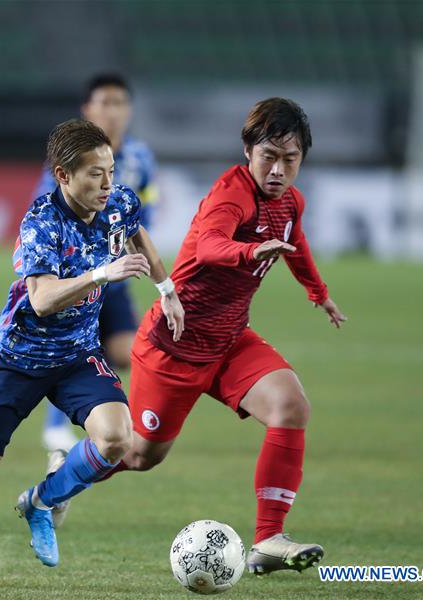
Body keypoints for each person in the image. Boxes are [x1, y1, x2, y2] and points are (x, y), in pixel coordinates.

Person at [0, 118, 184, 588]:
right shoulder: (42, 223)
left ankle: (42, 502)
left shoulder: (119, 203)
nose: (108, 184)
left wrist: (166, 288)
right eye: (95, 173)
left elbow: (137, 234)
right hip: (19, 360)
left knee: (116, 439)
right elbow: (42, 299)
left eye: (111, 171)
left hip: (76, 356)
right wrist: (101, 275)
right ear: (63, 175)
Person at [101, 98, 347, 575]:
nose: (277, 170)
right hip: (175, 342)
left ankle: (269, 539)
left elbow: (296, 245)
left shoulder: (291, 202)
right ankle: (60, 478)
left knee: (291, 406)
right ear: (248, 151)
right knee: (137, 455)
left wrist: (319, 294)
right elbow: (212, 245)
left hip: (229, 340)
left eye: (289, 160)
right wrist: (252, 250)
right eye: (268, 157)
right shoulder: (230, 195)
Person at [36, 73, 159, 454]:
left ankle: (118, 423)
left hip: (114, 283)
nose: (113, 111)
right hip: (77, 280)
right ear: (88, 109)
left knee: (131, 352)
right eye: (104, 102)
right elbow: (45, 211)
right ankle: (57, 427)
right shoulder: (70, 159)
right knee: (77, 348)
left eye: (120, 103)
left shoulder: (140, 158)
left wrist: (135, 245)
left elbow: (145, 209)